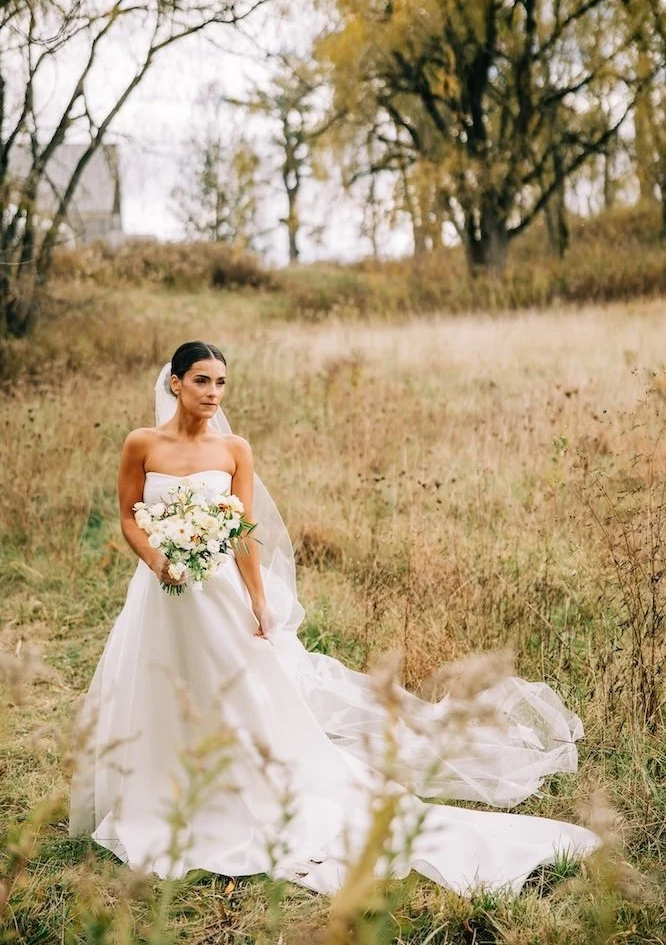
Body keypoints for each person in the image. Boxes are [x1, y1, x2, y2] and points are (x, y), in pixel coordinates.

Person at [69, 340, 599, 895]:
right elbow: (130, 515)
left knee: (238, 692)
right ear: (175, 383)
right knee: (156, 687)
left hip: (219, 591)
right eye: (201, 381)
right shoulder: (141, 444)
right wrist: (158, 560)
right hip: (160, 593)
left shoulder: (234, 450)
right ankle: (158, 792)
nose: (213, 393)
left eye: (221, 383)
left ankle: (239, 788)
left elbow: (243, 530)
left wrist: (257, 599)